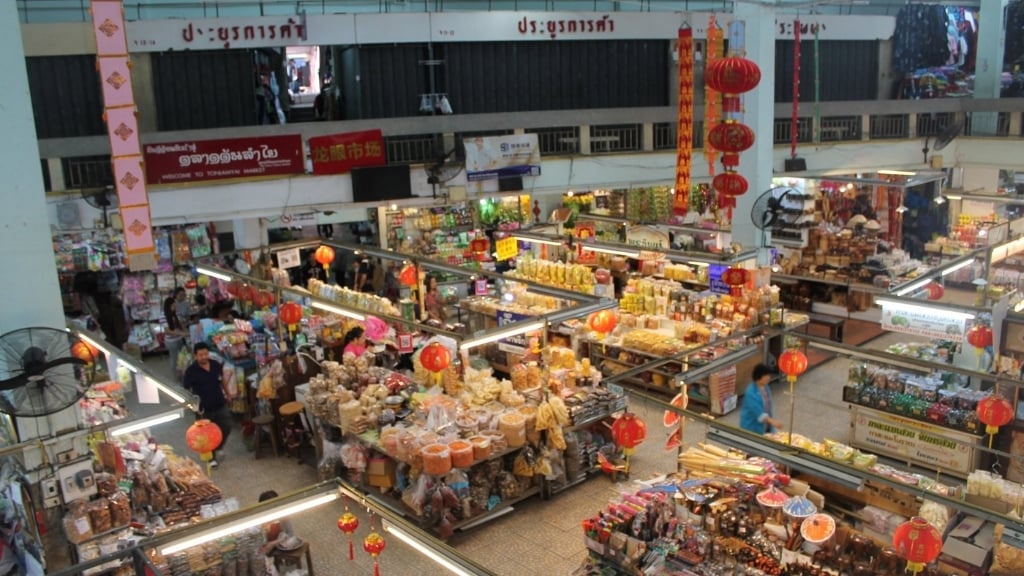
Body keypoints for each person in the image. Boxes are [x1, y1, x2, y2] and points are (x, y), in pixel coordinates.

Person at [183, 343, 235, 467]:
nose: (204, 357)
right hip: (203, 409)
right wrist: (190, 405)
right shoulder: (191, 371)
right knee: (205, 434)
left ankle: (218, 446)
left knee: (227, 425)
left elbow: (222, 381)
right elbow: (186, 389)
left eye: (206, 354)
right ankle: (211, 458)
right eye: (200, 355)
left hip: (219, 403)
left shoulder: (216, 365)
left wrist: (228, 395)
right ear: (195, 355)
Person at [739, 364, 784, 435]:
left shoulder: (766, 388)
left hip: (766, 425)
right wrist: (772, 422)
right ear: (759, 376)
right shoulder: (751, 392)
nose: (769, 378)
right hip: (752, 426)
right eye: (766, 376)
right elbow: (758, 412)